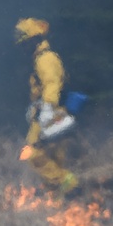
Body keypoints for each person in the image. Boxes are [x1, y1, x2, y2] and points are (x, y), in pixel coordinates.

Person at [13, 17, 78, 196]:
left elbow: (52, 85)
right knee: (54, 158)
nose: (23, 49)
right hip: (52, 113)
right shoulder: (40, 59)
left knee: (31, 153)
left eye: (25, 44)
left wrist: (45, 112)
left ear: (34, 40)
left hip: (51, 114)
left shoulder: (45, 59)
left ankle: (66, 181)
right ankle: (61, 197)